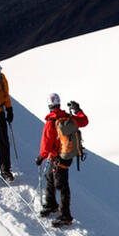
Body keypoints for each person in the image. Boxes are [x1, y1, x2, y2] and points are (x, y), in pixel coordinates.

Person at [35, 93, 89, 228]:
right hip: (67, 156)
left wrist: (41, 157)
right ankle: (51, 204)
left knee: (62, 185)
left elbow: (46, 144)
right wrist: (78, 110)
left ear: (49, 106)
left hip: (57, 156)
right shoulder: (68, 117)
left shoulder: (51, 122)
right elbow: (84, 121)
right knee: (50, 177)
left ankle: (66, 215)